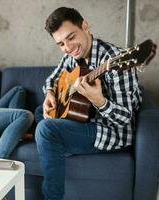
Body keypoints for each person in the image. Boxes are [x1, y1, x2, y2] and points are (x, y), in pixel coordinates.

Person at [35, 7, 143, 200]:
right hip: (84, 119)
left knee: (45, 130)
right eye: (60, 44)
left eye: (71, 37)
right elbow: (51, 79)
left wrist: (99, 101)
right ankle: (56, 146)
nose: (68, 48)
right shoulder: (71, 56)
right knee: (40, 112)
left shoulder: (117, 61)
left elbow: (125, 120)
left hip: (111, 131)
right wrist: (50, 94)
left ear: (85, 26)